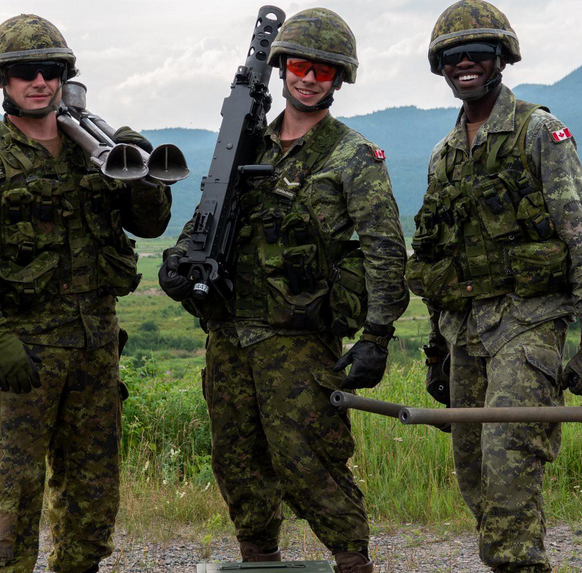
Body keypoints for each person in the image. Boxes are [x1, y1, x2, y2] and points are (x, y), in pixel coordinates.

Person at [159, 8, 408, 573]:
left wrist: (377, 335)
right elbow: (206, 217)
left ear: (339, 80)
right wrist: (178, 264)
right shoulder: (246, 147)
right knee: (238, 463)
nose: (309, 78)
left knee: (310, 461)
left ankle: (352, 563)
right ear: (282, 68)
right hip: (228, 335)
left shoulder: (351, 155)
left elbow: (385, 250)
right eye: (299, 65)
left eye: (324, 71)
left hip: (297, 341)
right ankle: (259, 561)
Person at [0, 14, 171, 573]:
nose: (39, 82)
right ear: (2, 83)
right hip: (23, 353)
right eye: (24, 72)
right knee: (6, 504)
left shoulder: (95, 148)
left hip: (95, 352)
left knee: (91, 501)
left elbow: (151, 224)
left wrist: (140, 167)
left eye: (51, 71)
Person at [407, 1, 582, 571]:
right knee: (475, 476)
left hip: (525, 327)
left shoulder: (539, 132)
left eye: (478, 51)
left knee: (509, 465)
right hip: (463, 336)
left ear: (502, 57)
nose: (466, 63)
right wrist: (436, 351)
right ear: (441, 66)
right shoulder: (443, 156)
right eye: (453, 55)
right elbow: (438, 259)